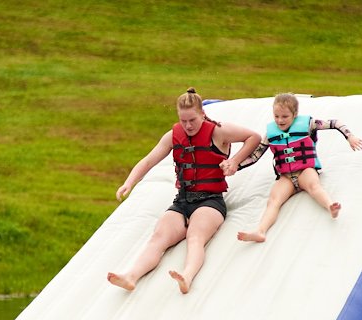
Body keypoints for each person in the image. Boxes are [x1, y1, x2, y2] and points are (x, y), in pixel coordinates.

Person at [107, 88, 263, 294]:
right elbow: (148, 160)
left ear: (202, 115)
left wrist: (234, 161)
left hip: (210, 201)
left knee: (195, 236)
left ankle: (187, 276)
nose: (188, 126)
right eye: (183, 121)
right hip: (182, 201)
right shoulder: (173, 136)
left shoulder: (218, 131)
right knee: (158, 238)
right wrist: (129, 182)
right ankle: (131, 276)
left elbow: (254, 137)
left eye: (192, 120)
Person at [236, 93, 362, 243]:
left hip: (305, 171)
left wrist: (350, 137)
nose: (279, 120)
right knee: (273, 201)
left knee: (314, 187)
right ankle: (260, 231)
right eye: (276, 116)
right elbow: (254, 157)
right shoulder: (270, 134)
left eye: (285, 116)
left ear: (295, 114)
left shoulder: (309, 124)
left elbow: (335, 123)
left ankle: (331, 206)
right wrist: (235, 167)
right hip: (286, 177)